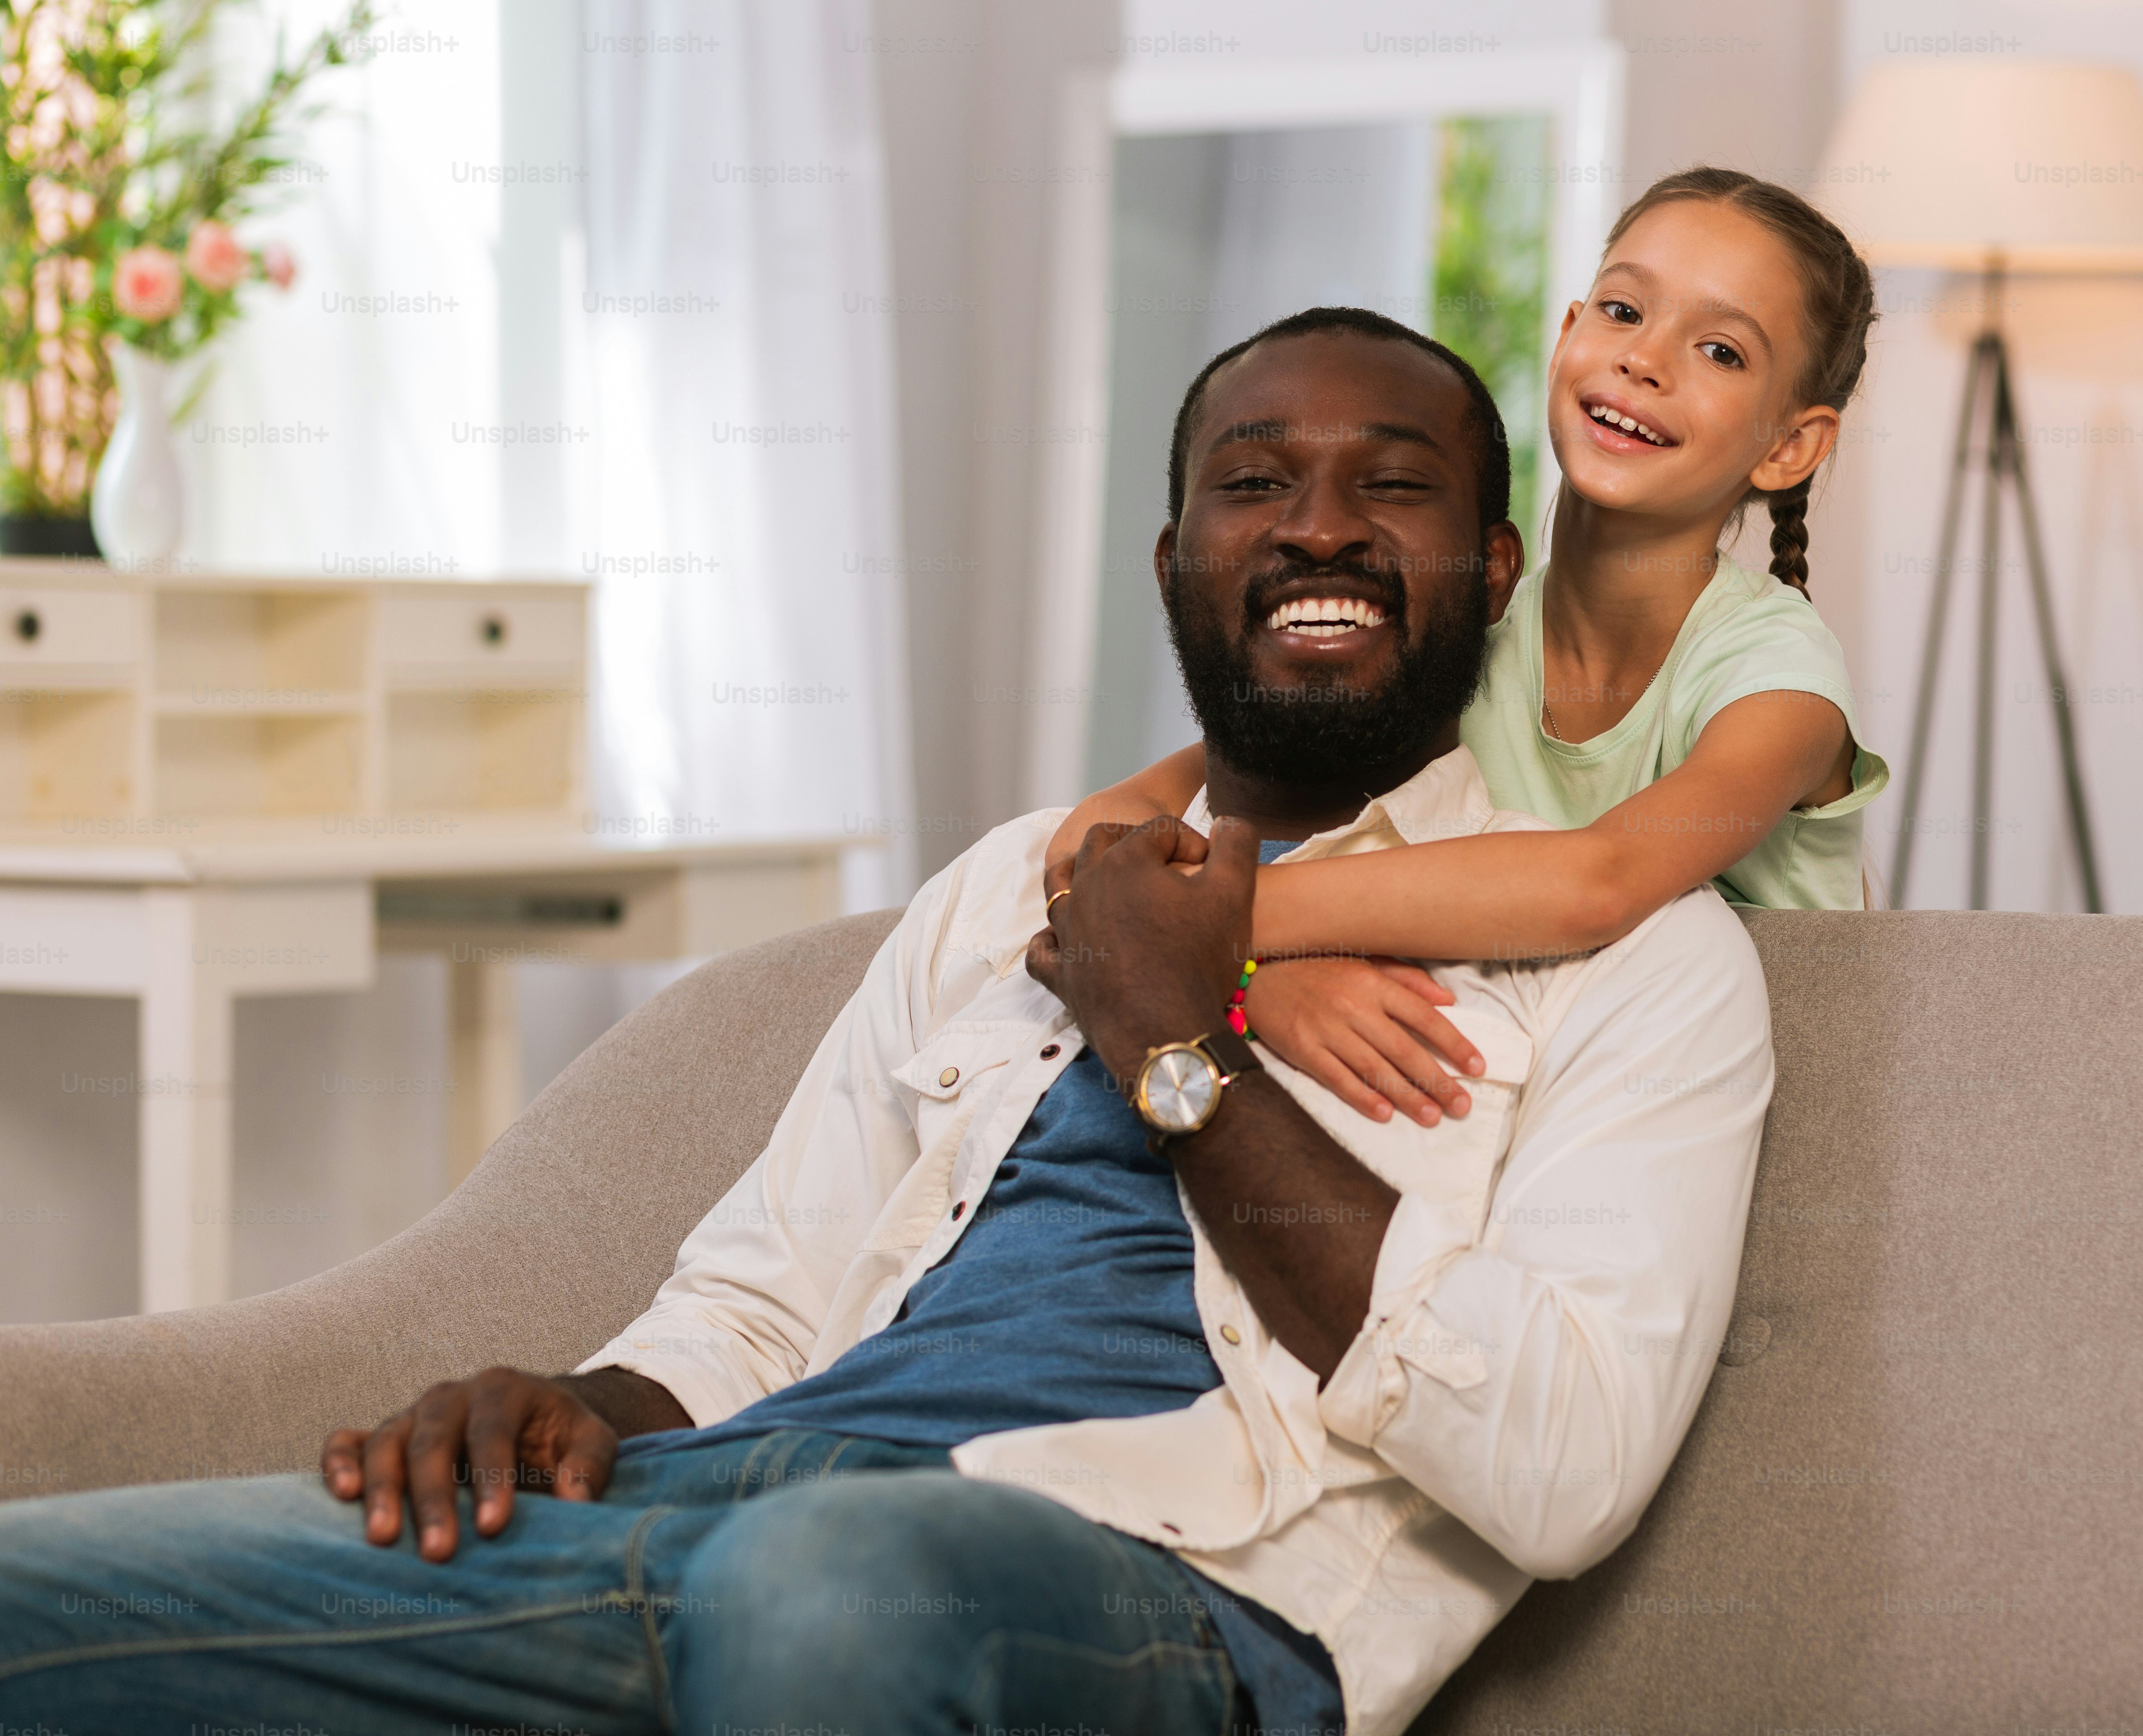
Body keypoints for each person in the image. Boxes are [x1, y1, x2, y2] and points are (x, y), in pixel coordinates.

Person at [0, 312, 1774, 1736]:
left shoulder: (1632, 957)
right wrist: (574, 1397)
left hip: (1136, 1576)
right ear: (1176, 562)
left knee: (832, 1583)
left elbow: (1557, 1473)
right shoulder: (1020, 882)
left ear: (1493, 560)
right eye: (1257, 483)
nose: (1318, 525)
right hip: (697, 1508)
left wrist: (1182, 1051)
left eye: (1390, 487)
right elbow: (760, 1299)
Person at [1055, 167, 1885, 1132]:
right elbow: (1113, 828)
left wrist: (1209, 927)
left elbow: (1596, 883)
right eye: (1623, 310)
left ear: (1789, 445)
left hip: (1720, 1135)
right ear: (1569, 331)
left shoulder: (1781, 680)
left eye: (1718, 350)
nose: (1645, 360)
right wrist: (1243, 982)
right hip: (1511, 1097)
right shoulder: (1473, 640)